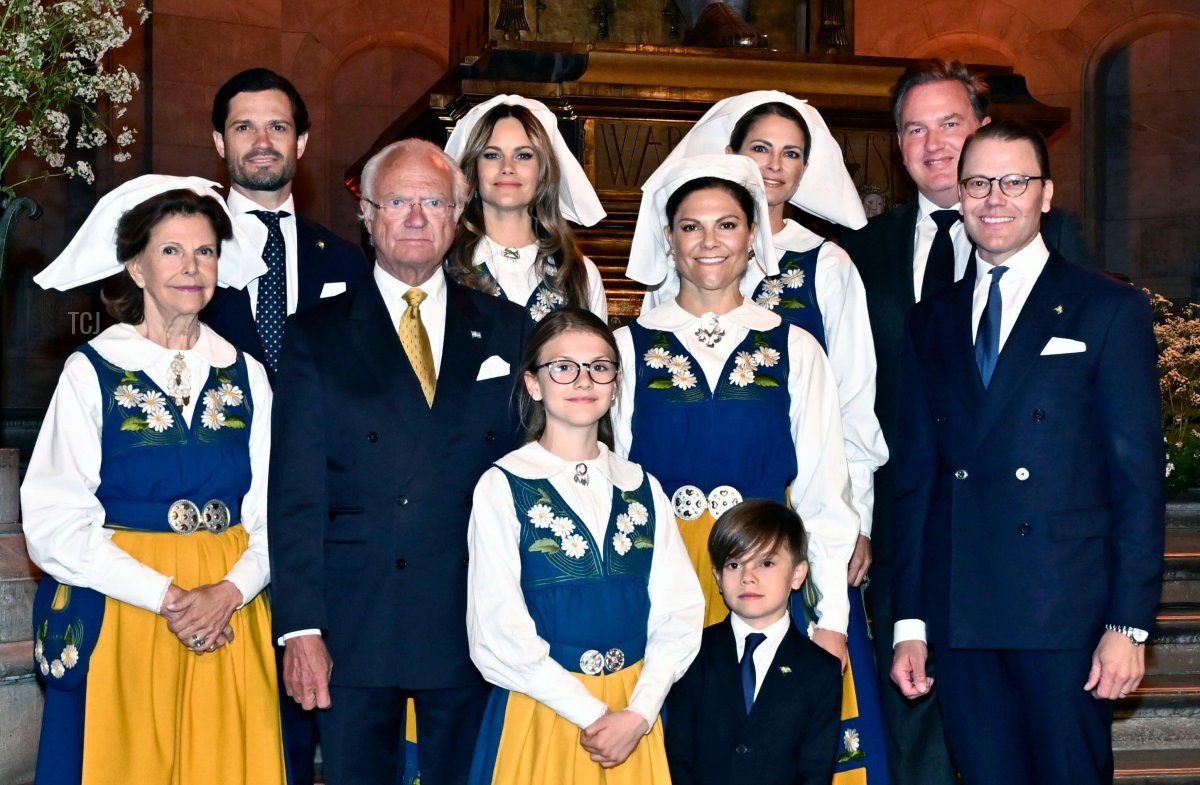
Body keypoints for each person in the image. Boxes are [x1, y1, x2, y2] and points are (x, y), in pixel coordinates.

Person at [838, 59, 1095, 785]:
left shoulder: (1062, 246)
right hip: (907, 539)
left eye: (950, 123)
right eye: (914, 128)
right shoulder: (858, 255)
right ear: (896, 144)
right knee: (916, 743)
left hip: (1029, 565)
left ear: (983, 129)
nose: (934, 143)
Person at [889, 120, 1164, 785]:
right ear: (958, 194)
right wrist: (910, 620)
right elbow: (918, 479)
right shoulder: (933, 318)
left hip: (1065, 612)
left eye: (1015, 181)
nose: (994, 198)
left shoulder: (1108, 308)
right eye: (979, 182)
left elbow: (1136, 480)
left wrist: (1129, 623)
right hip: (962, 614)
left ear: (1045, 194)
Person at [266, 138, 528, 785]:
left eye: (433, 201)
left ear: (458, 213)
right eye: (399, 201)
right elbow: (294, 490)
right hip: (355, 618)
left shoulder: (507, 328)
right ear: (368, 214)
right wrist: (300, 626)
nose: (415, 217)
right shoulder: (316, 333)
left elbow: (530, 477)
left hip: (473, 614)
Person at [24, 175, 284, 784]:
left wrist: (228, 593)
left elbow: (275, 509)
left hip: (228, 613)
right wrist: (167, 598)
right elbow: (52, 520)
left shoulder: (248, 374)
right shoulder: (92, 371)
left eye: (205, 250)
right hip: (126, 609)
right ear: (136, 267)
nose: (191, 266)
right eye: (171, 250)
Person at [613, 152, 856, 667]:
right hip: (662, 580)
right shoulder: (625, 350)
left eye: (726, 225)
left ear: (751, 237)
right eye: (690, 226)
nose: (709, 241)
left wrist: (831, 617)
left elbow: (823, 492)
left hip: (764, 578)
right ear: (668, 239)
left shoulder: (796, 347)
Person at [466, 307, 703, 783]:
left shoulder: (642, 486)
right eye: (563, 367)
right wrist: (593, 715)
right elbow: (497, 630)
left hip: (634, 714)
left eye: (599, 366)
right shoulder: (503, 485)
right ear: (534, 383)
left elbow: (680, 611)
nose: (583, 380)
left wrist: (638, 713)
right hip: (545, 710)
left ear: (615, 382)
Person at [203, 68, 369, 379]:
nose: (262, 142)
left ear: (301, 142)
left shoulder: (345, 261)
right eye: (243, 127)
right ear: (220, 143)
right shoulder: (189, 252)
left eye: (277, 127)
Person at [665, 499, 842, 785]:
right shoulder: (692, 652)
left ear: (797, 574)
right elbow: (678, 756)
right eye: (734, 564)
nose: (748, 577)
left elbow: (816, 772)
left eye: (766, 562)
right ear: (718, 578)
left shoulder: (820, 670)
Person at [444, 94, 608, 325]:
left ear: (543, 171)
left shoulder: (581, 274)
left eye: (523, 155)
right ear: (473, 168)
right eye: (492, 155)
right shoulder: (444, 264)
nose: (507, 167)